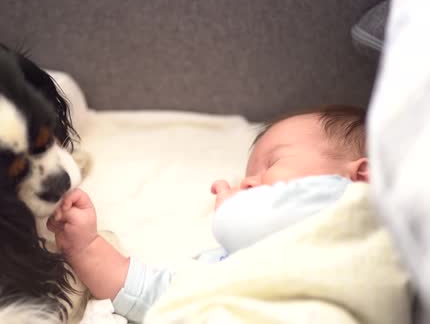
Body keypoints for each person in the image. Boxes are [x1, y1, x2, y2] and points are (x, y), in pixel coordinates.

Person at [47, 104, 369, 323]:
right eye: (247, 175)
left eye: (272, 163)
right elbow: (157, 295)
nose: (246, 182)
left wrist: (234, 214)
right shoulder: (226, 260)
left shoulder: (355, 211)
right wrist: (86, 247)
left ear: (361, 175)